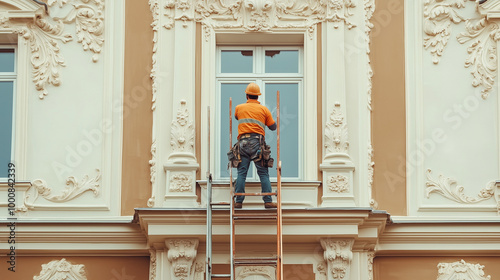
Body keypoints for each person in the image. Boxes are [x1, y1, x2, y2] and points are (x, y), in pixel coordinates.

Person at [231, 82, 277, 209]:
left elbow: (236, 117)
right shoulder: (264, 109)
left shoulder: (239, 108)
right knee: (263, 173)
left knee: (242, 173)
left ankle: (239, 200)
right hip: (258, 144)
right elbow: (273, 127)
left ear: (247, 95)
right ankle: (268, 200)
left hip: (243, 144)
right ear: (258, 96)